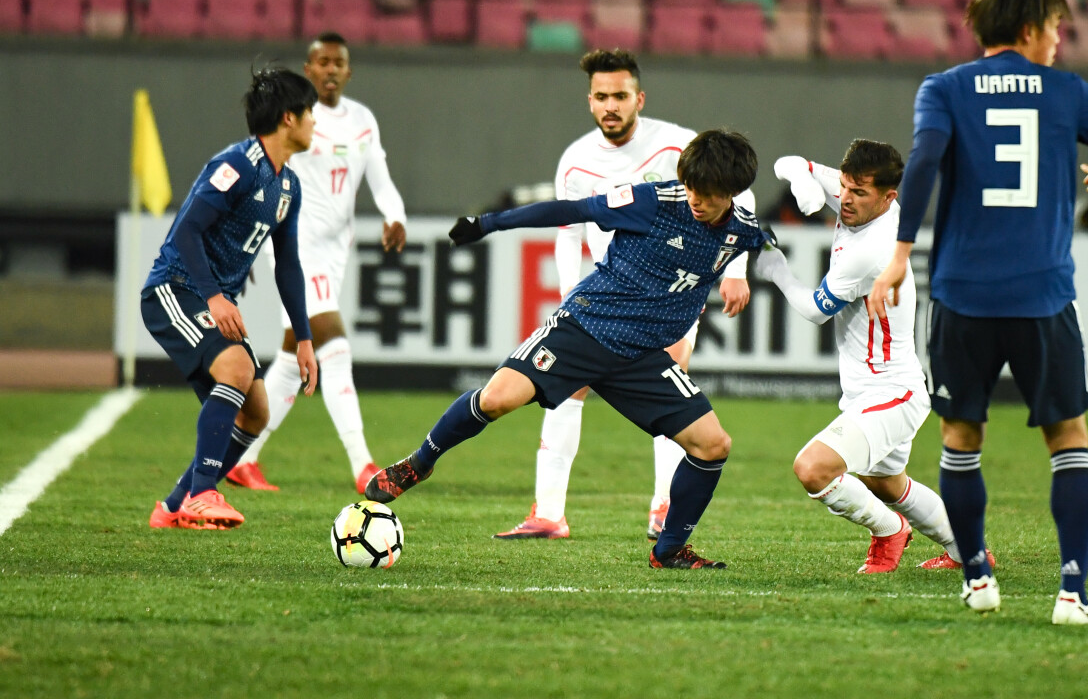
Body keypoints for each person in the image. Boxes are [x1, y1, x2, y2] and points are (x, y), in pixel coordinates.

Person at [867, 0, 1088, 624]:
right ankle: (1072, 595)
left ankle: (977, 579)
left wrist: (898, 254)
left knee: (961, 438)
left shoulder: (942, 88)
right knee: (1068, 440)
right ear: (1030, 30)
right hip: (1043, 295)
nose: (1058, 41)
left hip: (962, 296)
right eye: (1056, 28)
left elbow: (923, 163)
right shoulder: (1067, 92)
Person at [365, 129, 773, 569]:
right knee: (498, 398)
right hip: (584, 329)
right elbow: (570, 209)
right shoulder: (653, 202)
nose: (696, 198)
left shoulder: (742, 231)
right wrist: (488, 223)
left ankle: (669, 549)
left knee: (714, 445)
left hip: (640, 358)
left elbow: (773, 257)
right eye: (691, 186)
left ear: (733, 193)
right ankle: (419, 463)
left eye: (709, 194)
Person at [492, 49, 755, 542]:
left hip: (670, 293)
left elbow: (740, 194)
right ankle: (548, 514)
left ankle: (664, 509)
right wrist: (572, 300)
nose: (610, 105)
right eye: (601, 96)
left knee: (672, 384)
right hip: (606, 296)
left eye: (620, 96)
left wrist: (736, 268)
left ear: (639, 97)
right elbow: (568, 232)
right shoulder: (575, 160)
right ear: (590, 100)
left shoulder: (679, 144)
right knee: (566, 389)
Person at [758, 141, 993, 574]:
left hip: (891, 392)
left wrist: (777, 269)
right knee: (885, 483)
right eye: (844, 187)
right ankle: (969, 551)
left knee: (813, 469)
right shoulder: (858, 198)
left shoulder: (874, 248)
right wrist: (803, 181)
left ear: (890, 197)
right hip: (877, 389)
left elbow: (812, 311)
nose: (845, 199)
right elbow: (792, 160)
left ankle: (889, 531)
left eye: (858, 193)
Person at [225, 32, 408, 495]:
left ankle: (243, 457)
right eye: (321, 61)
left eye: (337, 62)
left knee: (292, 355)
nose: (329, 69)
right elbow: (262, 171)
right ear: (308, 70)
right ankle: (363, 463)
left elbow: (379, 176)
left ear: (349, 71)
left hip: (335, 247)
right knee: (332, 339)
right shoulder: (293, 119)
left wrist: (395, 214)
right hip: (294, 243)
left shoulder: (363, 120)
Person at [143, 65, 320, 530]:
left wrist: (304, 338)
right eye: (310, 113)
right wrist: (215, 298)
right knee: (238, 369)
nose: (315, 122)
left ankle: (173, 505)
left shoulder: (288, 186)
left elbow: (288, 265)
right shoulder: (237, 166)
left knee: (257, 413)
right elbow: (186, 233)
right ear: (288, 118)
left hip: (207, 299)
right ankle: (203, 493)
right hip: (174, 290)